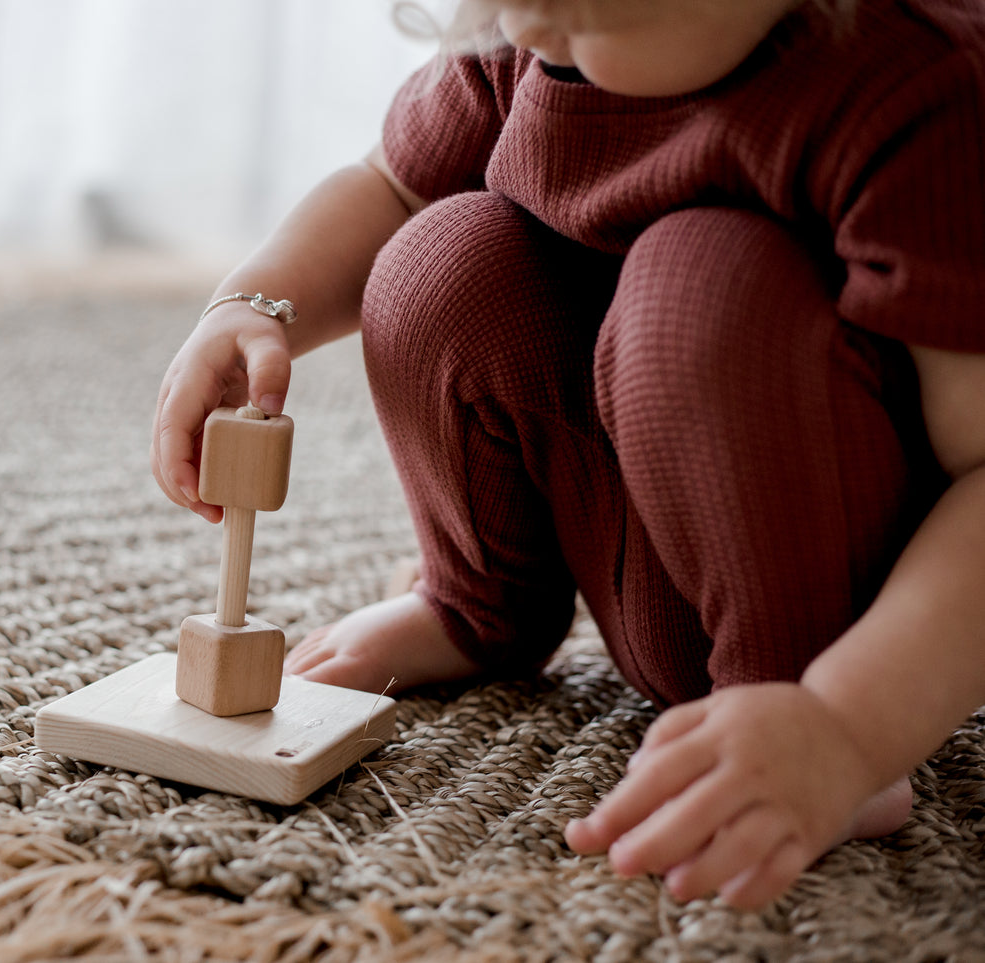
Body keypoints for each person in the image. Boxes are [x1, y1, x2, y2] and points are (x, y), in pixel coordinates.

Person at [150, 0, 985, 910]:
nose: (530, 33)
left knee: (699, 277)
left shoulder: (918, 90)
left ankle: (784, 706)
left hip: (824, 602)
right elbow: (389, 186)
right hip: (640, 516)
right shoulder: (524, 37)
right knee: (437, 253)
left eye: (582, 16)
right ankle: (479, 603)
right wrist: (251, 305)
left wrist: (847, 725)